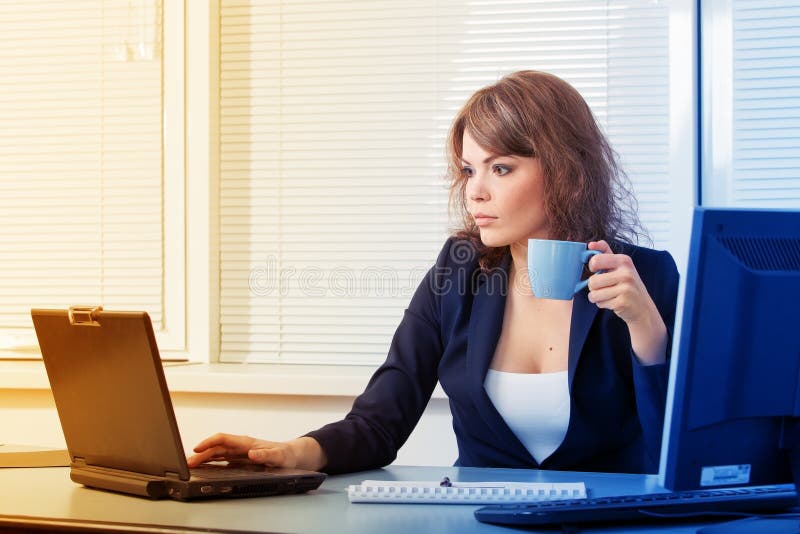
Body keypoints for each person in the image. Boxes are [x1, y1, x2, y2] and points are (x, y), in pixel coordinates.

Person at [187, 70, 679, 475]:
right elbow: (381, 421)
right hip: (478, 523)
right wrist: (288, 452)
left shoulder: (645, 278)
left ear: (565, 170)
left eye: (501, 168)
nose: (475, 192)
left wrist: (646, 329)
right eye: (469, 170)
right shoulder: (458, 271)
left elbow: (679, 460)